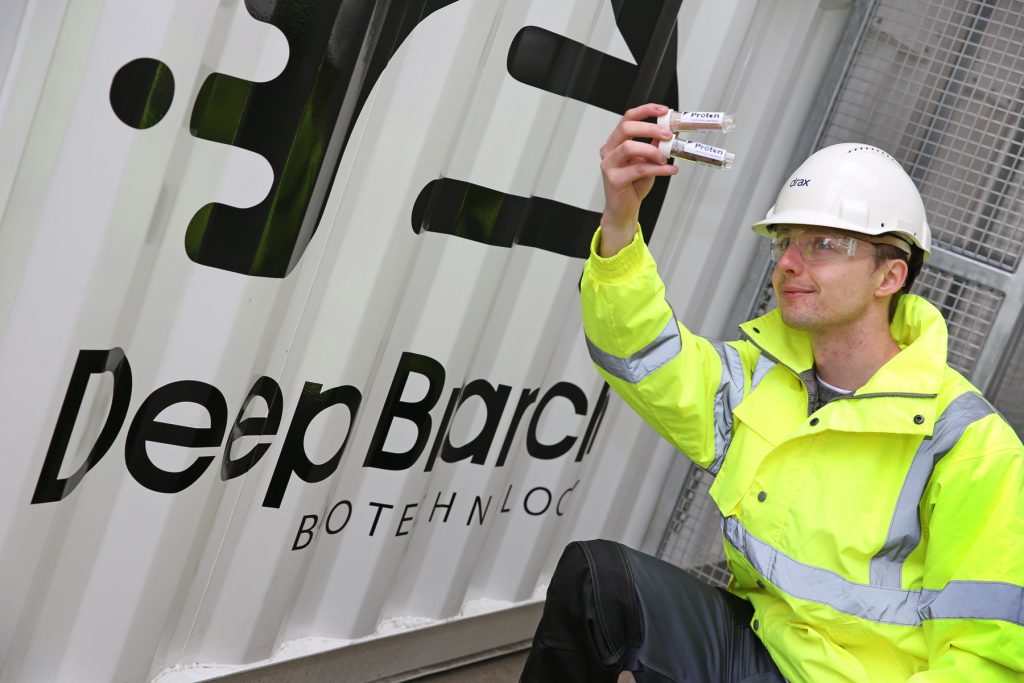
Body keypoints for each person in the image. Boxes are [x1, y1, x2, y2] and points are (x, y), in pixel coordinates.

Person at [520, 103, 1024, 682]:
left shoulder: (971, 448)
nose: (787, 263)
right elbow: (640, 355)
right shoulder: (761, 378)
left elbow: (985, 662)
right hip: (759, 646)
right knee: (600, 580)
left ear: (890, 276)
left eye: (824, 245)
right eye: (785, 241)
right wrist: (620, 221)